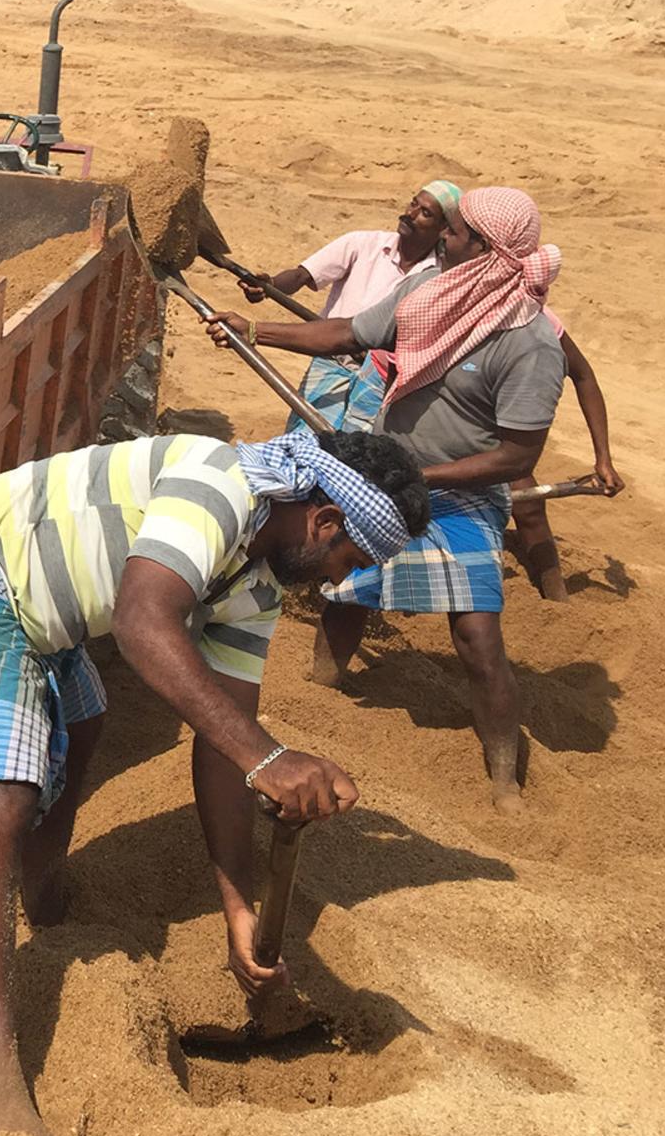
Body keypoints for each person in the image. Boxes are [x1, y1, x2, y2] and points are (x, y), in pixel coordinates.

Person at [0, 427, 428, 1136]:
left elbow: (225, 741)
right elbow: (142, 623)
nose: (333, 582)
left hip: (37, 612)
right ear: (324, 520)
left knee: (82, 722)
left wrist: (240, 913)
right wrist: (270, 758)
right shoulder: (218, 485)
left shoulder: (254, 592)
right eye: (345, 560)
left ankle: (44, 904)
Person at [206, 186, 565, 811]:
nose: (442, 240)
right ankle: (323, 691)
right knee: (345, 595)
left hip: (462, 499)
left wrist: (425, 479)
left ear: (483, 248)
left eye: (453, 233)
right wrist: (255, 328)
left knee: (478, 636)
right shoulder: (428, 294)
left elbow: (517, 458)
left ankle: (504, 778)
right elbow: (348, 333)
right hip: (390, 481)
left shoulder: (529, 345)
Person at [241, 180, 461, 431]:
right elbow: (302, 275)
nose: (410, 214)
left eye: (425, 213)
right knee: (304, 440)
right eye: (413, 203)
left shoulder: (438, 275)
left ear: (443, 228)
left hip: (382, 379)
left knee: (356, 454)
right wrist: (270, 285)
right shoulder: (362, 244)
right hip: (332, 362)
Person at [507, 309, 623, 601]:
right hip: (443, 418)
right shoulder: (454, 304)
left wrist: (603, 458)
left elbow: (584, 376)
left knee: (529, 505)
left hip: (498, 428)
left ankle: (556, 597)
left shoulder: (539, 319)